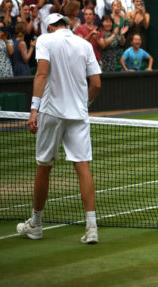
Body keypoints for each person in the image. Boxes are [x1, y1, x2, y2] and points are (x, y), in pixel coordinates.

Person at [17, 13, 101, 244]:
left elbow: (41, 73)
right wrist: (84, 104)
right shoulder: (84, 44)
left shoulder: (45, 40)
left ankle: (36, 224)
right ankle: (92, 228)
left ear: (51, 27)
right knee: (82, 166)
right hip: (78, 114)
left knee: (44, 166)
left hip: (51, 112)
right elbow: (96, 83)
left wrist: (33, 110)